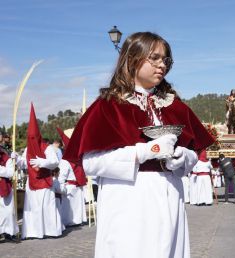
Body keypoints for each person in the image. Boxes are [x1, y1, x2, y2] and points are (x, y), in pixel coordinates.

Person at [63, 32, 214, 258]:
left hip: (171, 197)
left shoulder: (175, 106)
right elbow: (91, 163)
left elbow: (194, 153)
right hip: (129, 201)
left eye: (165, 60)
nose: (162, 65)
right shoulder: (109, 106)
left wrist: (182, 157)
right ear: (133, 59)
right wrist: (147, 151)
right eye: (154, 58)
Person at [22, 104, 63, 239]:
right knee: (34, 208)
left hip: (45, 181)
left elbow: (55, 162)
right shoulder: (27, 149)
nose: (32, 140)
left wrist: (42, 162)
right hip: (32, 183)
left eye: (34, 138)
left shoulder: (47, 147)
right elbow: (24, 163)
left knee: (47, 207)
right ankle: (34, 232)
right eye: (30, 138)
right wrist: (16, 160)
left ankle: (51, 231)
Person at [0, 146, 19, 239]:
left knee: (8, 212)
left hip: (4, 187)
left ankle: (9, 232)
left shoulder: (7, 159)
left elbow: (11, 173)